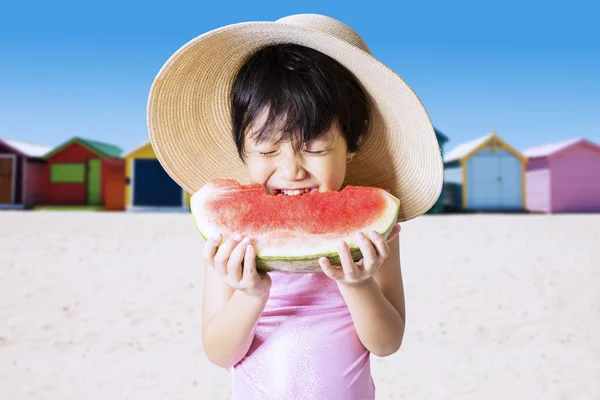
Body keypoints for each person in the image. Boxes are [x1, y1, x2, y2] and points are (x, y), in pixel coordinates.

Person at [147, 13, 443, 400]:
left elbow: (386, 344)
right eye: (267, 149)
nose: (291, 169)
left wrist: (358, 283)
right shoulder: (232, 242)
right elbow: (220, 353)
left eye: (315, 148)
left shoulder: (371, 238)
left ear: (351, 146)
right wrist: (250, 294)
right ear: (242, 152)